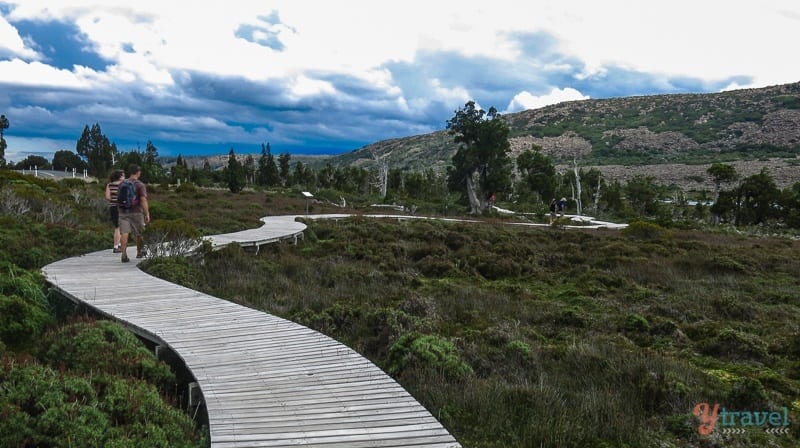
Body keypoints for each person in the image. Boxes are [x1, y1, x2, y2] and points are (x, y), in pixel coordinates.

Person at [118, 164, 150, 263]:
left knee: (124, 233)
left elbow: (118, 198)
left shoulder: (122, 183)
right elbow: (143, 200)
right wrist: (147, 213)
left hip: (123, 212)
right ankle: (139, 252)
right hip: (136, 212)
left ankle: (124, 254)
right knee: (139, 233)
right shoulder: (140, 185)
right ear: (138, 172)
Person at [105, 170, 125, 253]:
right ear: (120, 176)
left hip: (113, 207)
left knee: (117, 226)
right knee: (120, 227)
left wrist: (114, 199)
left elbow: (107, 197)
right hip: (122, 207)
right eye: (123, 175)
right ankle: (116, 246)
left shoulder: (109, 185)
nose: (124, 177)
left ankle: (118, 245)